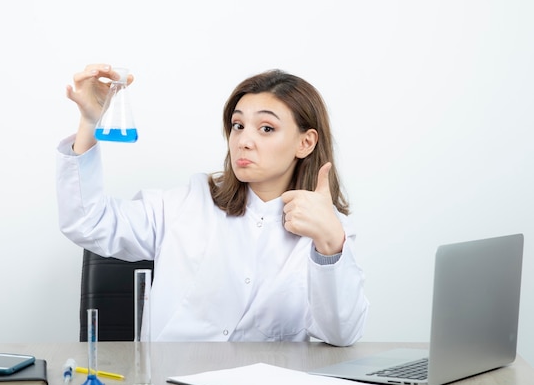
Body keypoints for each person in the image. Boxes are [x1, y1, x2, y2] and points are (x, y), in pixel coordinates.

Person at [56, 64, 368, 345]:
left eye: (267, 128)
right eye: (238, 125)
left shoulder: (326, 228)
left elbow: (342, 335)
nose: (244, 140)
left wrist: (329, 244)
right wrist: (89, 123)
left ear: (306, 143)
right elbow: (88, 223)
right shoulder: (187, 203)